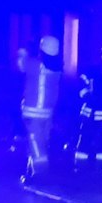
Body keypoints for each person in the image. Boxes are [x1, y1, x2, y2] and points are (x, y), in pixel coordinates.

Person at [20, 36, 62, 180]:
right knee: (41, 142)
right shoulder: (57, 68)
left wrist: (23, 51)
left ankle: (40, 174)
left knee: (35, 143)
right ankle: (31, 171)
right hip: (48, 113)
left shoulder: (36, 66)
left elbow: (21, 65)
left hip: (33, 113)